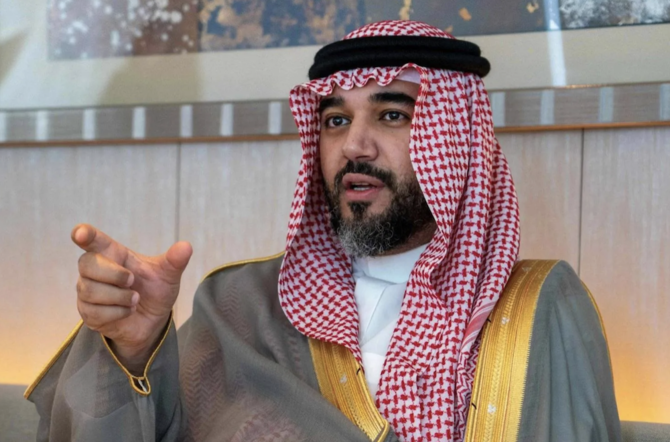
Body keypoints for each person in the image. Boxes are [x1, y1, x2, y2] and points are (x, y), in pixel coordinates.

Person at [25, 20, 620, 442]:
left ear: (457, 141)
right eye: (335, 120)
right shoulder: (243, 307)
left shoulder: (541, 307)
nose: (354, 145)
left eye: (392, 114)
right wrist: (132, 348)